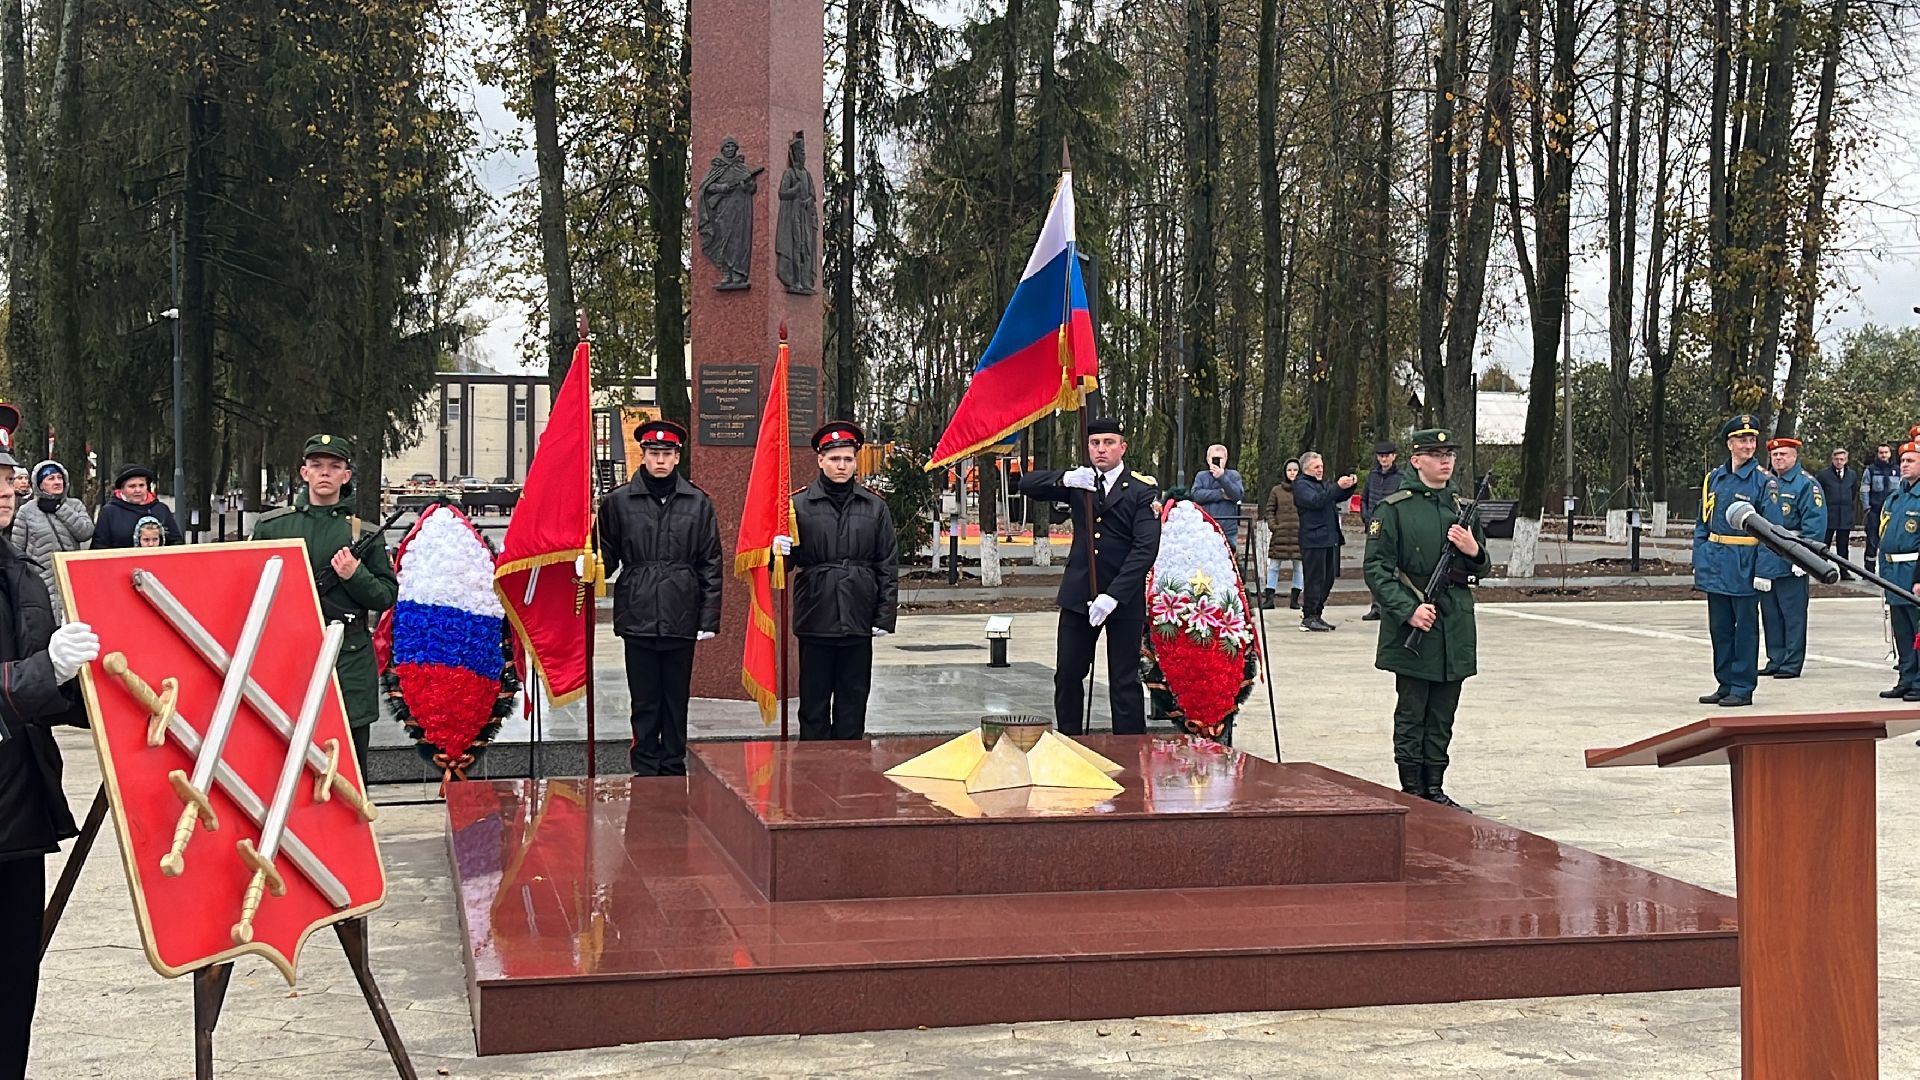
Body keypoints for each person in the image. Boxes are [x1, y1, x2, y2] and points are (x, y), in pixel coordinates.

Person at [0, 440, 100, 1076]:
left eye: (7, 472)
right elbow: (30, 676)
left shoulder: (20, 571)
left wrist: (102, 693)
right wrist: (45, 672)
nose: (6, 485)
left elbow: (49, 693)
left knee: (13, 995)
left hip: (18, 814)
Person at [251, 435, 399, 781]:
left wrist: (354, 575)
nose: (325, 474)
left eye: (334, 467)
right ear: (304, 472)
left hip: (347, 657)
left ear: (346, 476)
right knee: (284, 753)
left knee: (349, 760)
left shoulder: (364, 533)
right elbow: (251, 585)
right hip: (290, 653)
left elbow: (385, 597)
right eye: (317, 466)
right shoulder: (274, 528)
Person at [1362, 428, 1490, 809]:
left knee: (1442, 714)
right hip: (1416, 623)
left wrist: (1474, 549)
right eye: (1435, 454)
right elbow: (1377, 569)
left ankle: (1435, 788)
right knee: (1413, 711)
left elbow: (1480, 570)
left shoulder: (1462, 508)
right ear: (1416, 460)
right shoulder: (1394, 509)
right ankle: (1412, 788)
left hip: (1454, 624)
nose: (1445, 460)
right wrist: (1408, 610)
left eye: (1449, 453)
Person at [1018, 417, 1161, 735]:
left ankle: (1129, 748)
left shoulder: (1142, 491)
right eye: (1095, 443)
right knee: (1068, 673)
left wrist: (1113, 596)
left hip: (1122, 599)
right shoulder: (1080, 483)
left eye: (1109, 443)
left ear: (1123, 447)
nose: (1101, 449)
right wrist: (1065, 478)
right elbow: (1026, 484)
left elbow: (1145, 549)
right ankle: (1068, 741)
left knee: (1124, 679)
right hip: (1079, 592)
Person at [597, 419, 722, 775]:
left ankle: (673, 762)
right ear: (644, 456)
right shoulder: (618, 502)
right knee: (645, 698)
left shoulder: (697, 502)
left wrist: (708, 618)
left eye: (667, 454)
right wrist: (588, 560)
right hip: (638, 612)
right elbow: (606, 557)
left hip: (681, 611)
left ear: (677, 457)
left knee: (675, 698)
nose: (661, 460)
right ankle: (646, 763)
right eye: (654, 453)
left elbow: (710, 561)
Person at [773, 422, 898, 741]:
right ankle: (813, 773)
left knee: (852, 703)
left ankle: (850, 773)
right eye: (835, 459)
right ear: (820, 460)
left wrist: (884, 615)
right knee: (813, 706)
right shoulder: (798, 506)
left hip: (858, 614)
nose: (842, 466)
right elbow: (783, 568)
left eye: (848, 459)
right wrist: (779, 551)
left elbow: (886, 564)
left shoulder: (874, 507)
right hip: (817, 614)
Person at [1692, 415, 1784, 708]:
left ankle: (1742, 687)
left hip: (1745, 563)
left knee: (1744, 628)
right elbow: (1703, 524)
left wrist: (1764, 571)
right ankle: (1725, 682)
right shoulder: (1715, 479)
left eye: (1752, 440)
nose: (1748, 445)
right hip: (1717, 563)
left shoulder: (1763, 482)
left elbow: (1773, 532)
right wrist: (1701, 558)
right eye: (1742, 440)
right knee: (1719, 628)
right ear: (1729, 443)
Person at [1757, 438, 1826, 680]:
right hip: (1768, 555)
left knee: (1793, 613)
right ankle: (1775, 658)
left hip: (1793, 554)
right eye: (1775, 455)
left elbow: (1814, 525)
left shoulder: (1806, 485)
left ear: (1795, 456)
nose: (1778, 459)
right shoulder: (1767, 482)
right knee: (1770, 612)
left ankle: (1792, 662)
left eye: (1783, 454)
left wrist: (1804, 558)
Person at [9, 460, 93, 622]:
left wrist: (59, 508)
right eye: (51, 478)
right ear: (39, 484)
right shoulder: (27, 511)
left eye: (59, 478)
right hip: (39, 581)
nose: (57, 482)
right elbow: (17, 549)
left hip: (70, 579)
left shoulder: (75, 505)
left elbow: (85, 532)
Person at [1875, 441, 1920, 703]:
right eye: (1902, 461)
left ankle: (1918, 681)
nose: (1904, 465)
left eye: (1910, 461)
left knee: (1917, 631)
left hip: (1914, 571)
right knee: (1901, 630)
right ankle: (1906, 677)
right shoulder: (1897, 496)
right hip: (1894, 571)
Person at [1292, 451, 1357, 632]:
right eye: (1316, 467)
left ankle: (1317, 613)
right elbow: (1317, 501)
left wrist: (1349, 486)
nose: (1321, 470)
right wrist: (1337, 486)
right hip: (1313, 539)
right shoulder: (1301, 485)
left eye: (1321, 466)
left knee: (1328, 579)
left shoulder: (1321, 484)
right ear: (1306, 469)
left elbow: (1335, 496)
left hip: (1329, 538)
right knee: (1315, 579)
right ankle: (1309, 615)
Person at [91, 464, 184, 549]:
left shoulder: (161, 509)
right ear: (122, 489)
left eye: (141, 485)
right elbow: (99, 546)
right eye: (132, 486)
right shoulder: (109, 512)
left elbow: (176, 542)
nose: (138, 490)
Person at [1360, 441, 1403, 621]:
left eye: (1387, 456)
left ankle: (1391, 605)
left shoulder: (1401, 477)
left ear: (1394, 456)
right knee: (1375, 565)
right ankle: (1376, 606)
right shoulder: (1373, 476)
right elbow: (1364, 499)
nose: (1384, 459)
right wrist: (1367, 517)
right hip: (1373, 526)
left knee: (1393, 567)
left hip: (1393, 527)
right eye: (1381, 456)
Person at [1262, 459, 1303, 610]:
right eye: (1289, 470)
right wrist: (1274, 527)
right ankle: (1269, 599)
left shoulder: (1304, 489)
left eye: (1295, 470)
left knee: (1299, 567)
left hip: (1299, 535)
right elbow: (1269, 510)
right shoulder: (1276, 490)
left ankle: (1295, 600)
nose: (1292, 473)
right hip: (1280, 535)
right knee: (1274, 567)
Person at [1189, 443, 1245, 548]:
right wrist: (1221, 494)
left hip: (1228, 529)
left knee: (1229, 561)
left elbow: (1237, 495)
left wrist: (1222, 478)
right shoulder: (1201, 476)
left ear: (1226, 459)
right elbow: (1196, 495)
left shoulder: (1233, 475)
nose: (1217, 461)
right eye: (1213, 458)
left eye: (1220, 458)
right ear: (1207, 459)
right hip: (1205, 528)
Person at [1815, 447, 1859, 576]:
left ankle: (1844, 571)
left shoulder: (1852, 475)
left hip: (1844, 515)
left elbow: (1853, 493)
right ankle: (1821, 570)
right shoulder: (1824, 475)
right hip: (1829, 514)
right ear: (1832, 459)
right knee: (1824, 543)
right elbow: (1818, 493)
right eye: (1837, 459)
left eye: (1842, 459)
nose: (1839, 462)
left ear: (1846, 460)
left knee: (1843, 545)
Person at [1866, 442, 1900, 562]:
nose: (1883, 455)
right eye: (1881, 453)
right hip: (1875, 511)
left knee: (1891, 540)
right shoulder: (1870, 470)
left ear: (1890, 454)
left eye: (1886, 452)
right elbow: (1864, 489)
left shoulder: (1898, 470)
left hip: (1892, 511)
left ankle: (1887, 569)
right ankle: (1868, 571)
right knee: (1872, 541)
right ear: (1877, 454)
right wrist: (1867, 508)